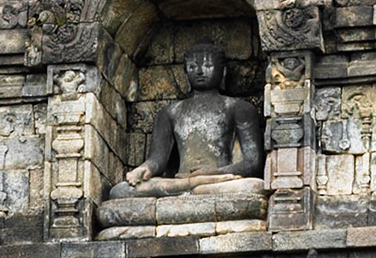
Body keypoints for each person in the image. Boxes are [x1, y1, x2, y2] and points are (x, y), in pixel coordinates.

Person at [108, 43, 264, 198]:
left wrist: (214, 172)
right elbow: (158, 160)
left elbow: (253, 163)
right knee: (119, 191)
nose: (200, 71)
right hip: (180, 181)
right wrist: (144, 169)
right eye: (192, 67)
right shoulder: (169, 112)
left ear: (223, 72)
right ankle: (194, 185)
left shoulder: (238, 108)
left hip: (219, 180)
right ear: (185, 73)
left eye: (208, 65)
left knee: (255, 186)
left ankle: (199, 185)